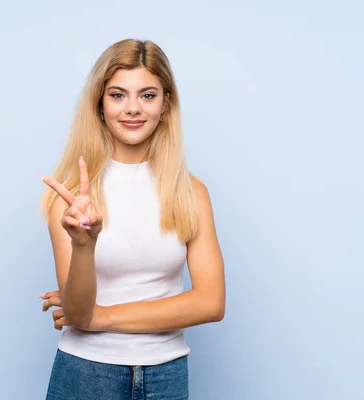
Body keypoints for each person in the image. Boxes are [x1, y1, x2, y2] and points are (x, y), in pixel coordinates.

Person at [38, 38, 225, 400]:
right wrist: (84, 244)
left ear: (166, 104)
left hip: (167, 375)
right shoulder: (69, 197)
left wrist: (102, 317)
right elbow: (77, 312)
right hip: (85, 374)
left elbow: (211, 302)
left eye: (148, 95)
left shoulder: (191, 191)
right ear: (100, 103)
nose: (133, 109)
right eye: (118, 95)